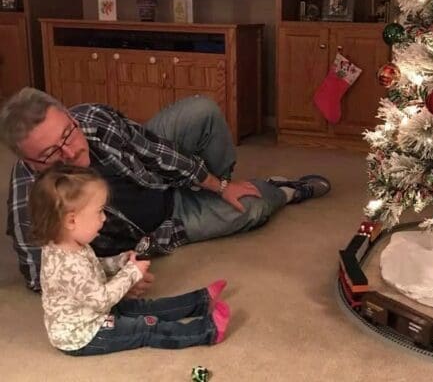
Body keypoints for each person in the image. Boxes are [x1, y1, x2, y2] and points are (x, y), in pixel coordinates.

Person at [0, 88, 331, 293]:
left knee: (201, 112)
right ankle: (284, 190)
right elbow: (39, 276)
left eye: (68, 134)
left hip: (159, 182)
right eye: (50, 154)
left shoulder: (92, 120)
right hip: (162, 225)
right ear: (29, 160)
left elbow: (153, 151)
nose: (70, 152)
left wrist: (221, 185)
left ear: (70, 116)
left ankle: (213, 189)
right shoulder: (28, 195)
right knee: (254, 208)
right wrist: (115, 278)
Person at [29, 164, 230, 355]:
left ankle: (200, 301)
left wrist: (119, 262)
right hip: (86, 333)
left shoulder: (67, 244)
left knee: (142, 308)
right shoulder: (67, 264)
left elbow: (93, 268)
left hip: (92, 312)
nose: (104, 218)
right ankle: (206, 331)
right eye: (99, 212)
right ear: (71, 220)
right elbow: (101, 300)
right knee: (145, 327)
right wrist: (131, 273)